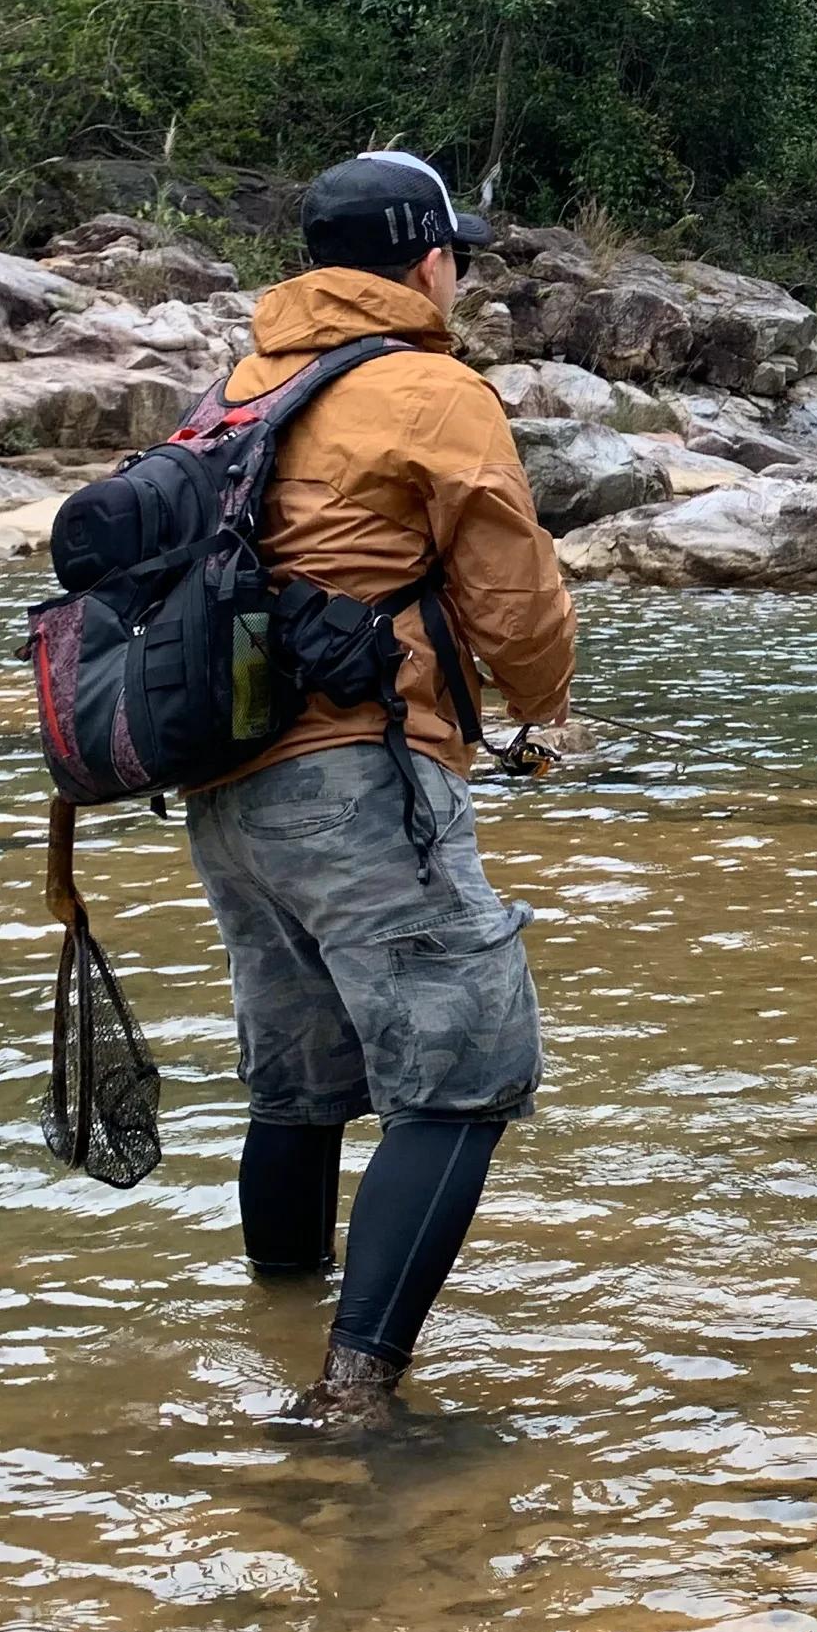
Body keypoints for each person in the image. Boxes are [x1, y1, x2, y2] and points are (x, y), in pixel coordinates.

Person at [187, 149, 576, 1431]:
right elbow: (512, 593)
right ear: (427, 260)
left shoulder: (247, 382)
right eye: (456, 255)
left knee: (298, 1085)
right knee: (467, 1069)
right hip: (360, 774)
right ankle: (352, 1392)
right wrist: (540, 706)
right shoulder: (428, 386)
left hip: (229, 783)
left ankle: (275, 1325)